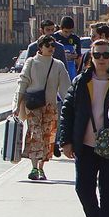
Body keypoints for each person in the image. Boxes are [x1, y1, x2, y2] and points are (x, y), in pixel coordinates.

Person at [56, 41, 109, 217]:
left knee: (108, 188)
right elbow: (67, 112)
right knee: (82, 187)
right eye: (97, 55)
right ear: (91, 57)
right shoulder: (81, 81)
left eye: (106, 55)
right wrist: (65, 141)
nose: (101, 59)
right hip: (85, 143)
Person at [16, 35, 72, 181]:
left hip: (50, 106)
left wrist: (71, 105)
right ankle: (34, 168)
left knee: (48, 137)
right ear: (40, 47)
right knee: (36, 134)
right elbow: (23, 83)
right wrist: (16, 105)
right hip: (33, 106)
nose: (51, 49)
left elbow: (65, 88)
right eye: (48, 46)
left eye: (53, 46)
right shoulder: (31, 62)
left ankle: (41, 167)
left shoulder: (58, 65)